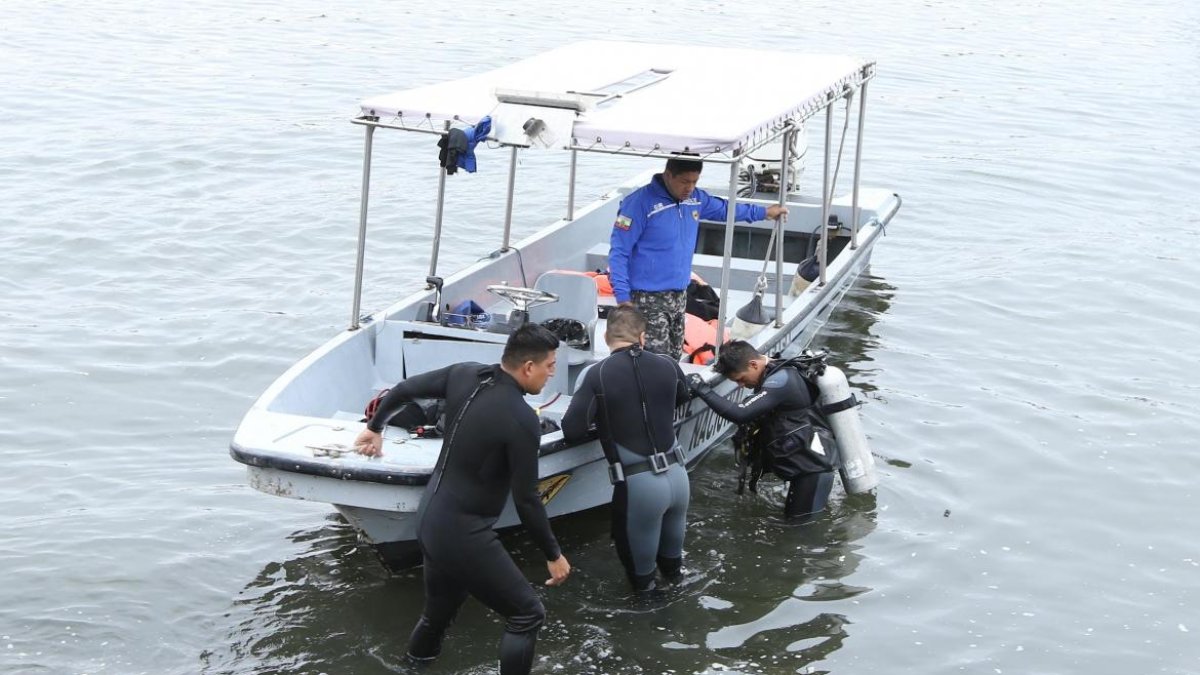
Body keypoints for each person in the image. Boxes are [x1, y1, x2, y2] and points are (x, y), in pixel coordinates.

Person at [352, 324, 571, 675]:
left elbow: (405, 389)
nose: (552, 373)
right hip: (462, 532)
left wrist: (375, 427)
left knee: (438, 614)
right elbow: (527, 498)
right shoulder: (520, 419)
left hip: (429, 520)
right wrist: (553, 555)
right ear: (528, 367)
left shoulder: (464, 374)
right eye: (550, 366)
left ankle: (413, 668)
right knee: (527, 613)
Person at [561, 305, 692, 592]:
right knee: (674, 572)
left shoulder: (598, 374)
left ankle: (650, 632)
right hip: (678, 477)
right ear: (643, 337)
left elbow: (573, 430)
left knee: (642, 585)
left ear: (606, 337)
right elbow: (683, 396)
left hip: (639, 486)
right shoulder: (668, 365)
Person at [608, 156, 788, 359]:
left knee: (675, 355)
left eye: (694, 182)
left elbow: (726, 210)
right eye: (685, 181)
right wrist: (623, 299)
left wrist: (764, 212)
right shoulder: (638, 204)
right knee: (656, 360)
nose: (690, 188)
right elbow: (618, 253)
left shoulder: (695, 199)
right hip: (647, 299)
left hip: (679, 295)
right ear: (668, 175)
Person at [687, 340, 838, 522]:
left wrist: (702, 389)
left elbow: (740, 413)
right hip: (807, 468)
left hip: (813, 472)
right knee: (793, 526)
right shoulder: (775, 372)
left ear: (753, 364)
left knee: (800, 533)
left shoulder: (781, 381)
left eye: (741, 379)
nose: (741, 386)